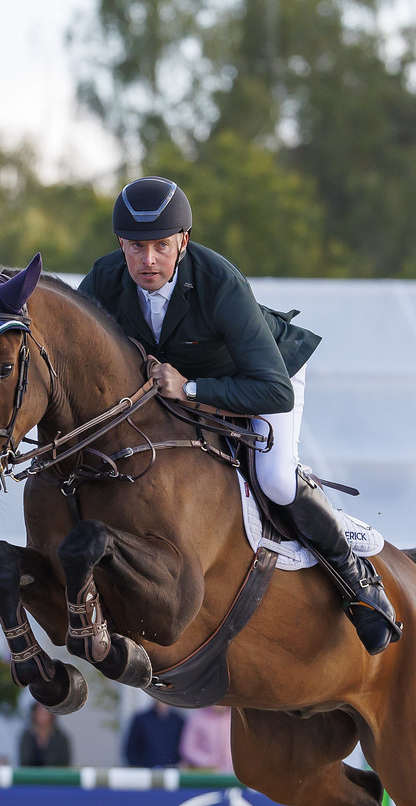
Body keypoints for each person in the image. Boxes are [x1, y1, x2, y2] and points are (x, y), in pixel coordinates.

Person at [76, 176, 399, 654]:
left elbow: (273, 389)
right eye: (135, 247)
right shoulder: (104, 280)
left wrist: (189, 389)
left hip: (264, 379)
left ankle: (360, 586)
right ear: (121, 243)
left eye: (160, 247)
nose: (147, 261)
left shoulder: (218, 282)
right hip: (176, 392)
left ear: (182, 241)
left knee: (276, 480)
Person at [123, 698, 186, 768]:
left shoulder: (178, 721)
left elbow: (183, 747)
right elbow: (131, 748)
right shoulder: (141, 720)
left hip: (171, 771)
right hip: (145, 771)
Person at [180, 705, 233, 774]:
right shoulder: (197, 717)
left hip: (232, 773)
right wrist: (207, 761)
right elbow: (188, 749)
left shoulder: (234, 718)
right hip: (205, 772)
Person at [18, 703, 71, 767]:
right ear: (34, 713)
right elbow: (24, 761)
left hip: (55, 776)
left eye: (45, 712)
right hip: (31, 776)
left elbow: (64, 762)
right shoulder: (27, 736)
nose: (43, 715)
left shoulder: (61, 738)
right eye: (40, 711)